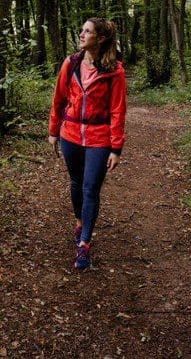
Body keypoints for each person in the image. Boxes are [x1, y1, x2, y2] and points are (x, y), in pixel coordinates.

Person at [48, 17, 127, 270]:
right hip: (70, 134)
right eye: (82, 30)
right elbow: (58, 99)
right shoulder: (70, 64)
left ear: (100, 38)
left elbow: (117, 111)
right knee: (75, 183)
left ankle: (84, 245)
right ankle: (80, 221)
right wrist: (53, 131)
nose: (81, 35)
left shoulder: (114, 71)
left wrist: (116, 147)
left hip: (99, 138)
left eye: (87, 31)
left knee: (91, 188)